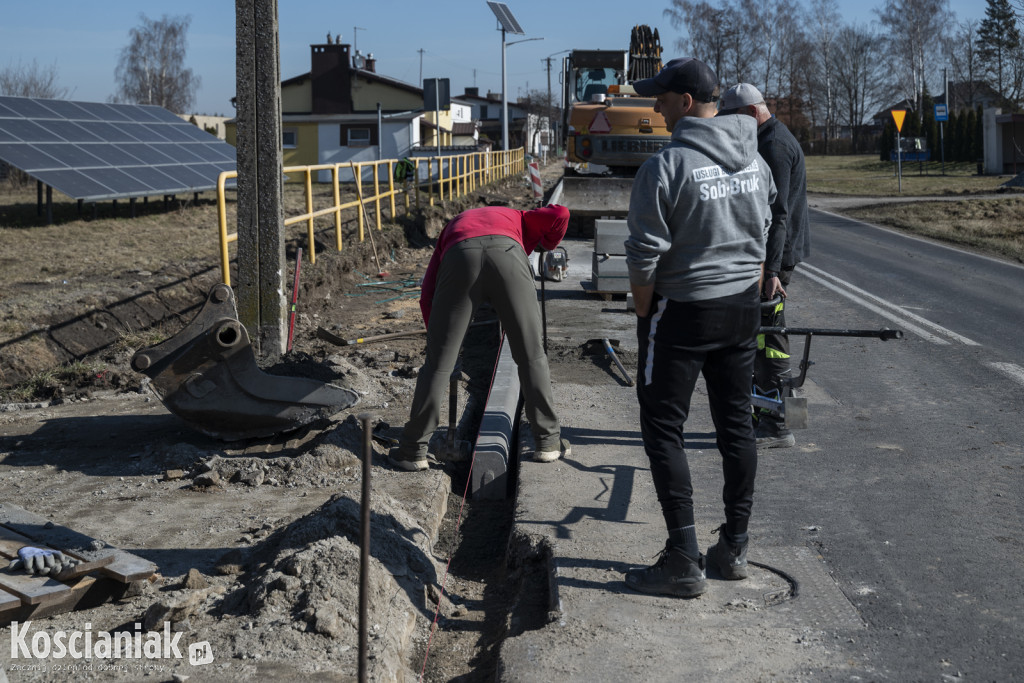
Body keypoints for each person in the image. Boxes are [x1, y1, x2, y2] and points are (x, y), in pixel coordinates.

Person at [623, 58, 776, 597]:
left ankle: (684, 558)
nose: (655, 107)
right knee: (736, 424)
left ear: (686, 102)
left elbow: (643, 257)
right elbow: (762, 231)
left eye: (661, 99)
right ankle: (734, 547)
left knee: (663, 427)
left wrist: (645, 314)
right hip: (740, 310)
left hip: (683, 310)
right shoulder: (755, 162)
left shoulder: (666, 167)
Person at [388, 204, 572, 471]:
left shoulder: (453, 225)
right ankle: (547, 443)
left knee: (437, 366)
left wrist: (443, 344)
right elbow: (561, 214)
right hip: (509, 257)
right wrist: (549, 244)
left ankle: (412, 450)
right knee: (531, 355)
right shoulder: (520, 217)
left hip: (460, 255)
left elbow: (427, 294)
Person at [718, 83, 811, 449]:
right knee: (762, 334)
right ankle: (766, 415)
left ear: (753, 113)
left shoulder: (773, 145)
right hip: (773, 258)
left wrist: (770, 272)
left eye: (733, 120)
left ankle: (779, 424)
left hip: (775, 259)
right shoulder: (769, 136)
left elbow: (778, 215)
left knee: (769, 337)